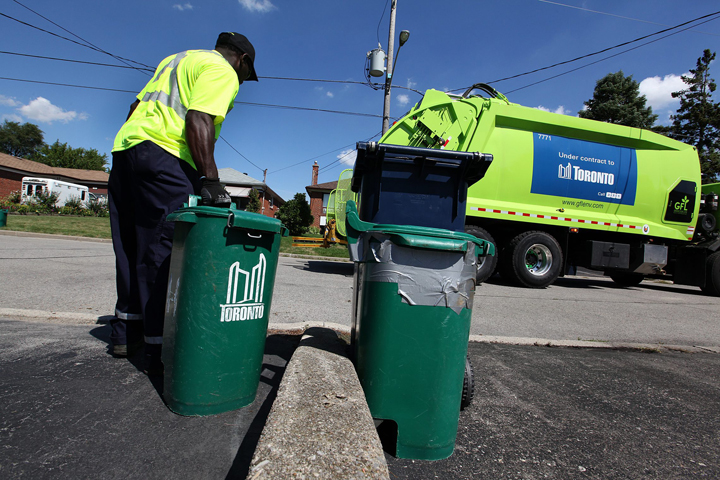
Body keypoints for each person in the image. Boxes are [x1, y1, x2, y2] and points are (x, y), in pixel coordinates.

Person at [108, 32, 258, 375]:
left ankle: (125, 334)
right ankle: (162, 350)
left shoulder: (176, 60)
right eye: (246, 76)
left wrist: (138, 151)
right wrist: (210, 179)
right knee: (164, 251)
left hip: (127, 150)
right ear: (242, 61)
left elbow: (134, 108)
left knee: (130, 246)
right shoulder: (222, 70)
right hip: (166, 157)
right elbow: (199, 118)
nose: (243, 82)